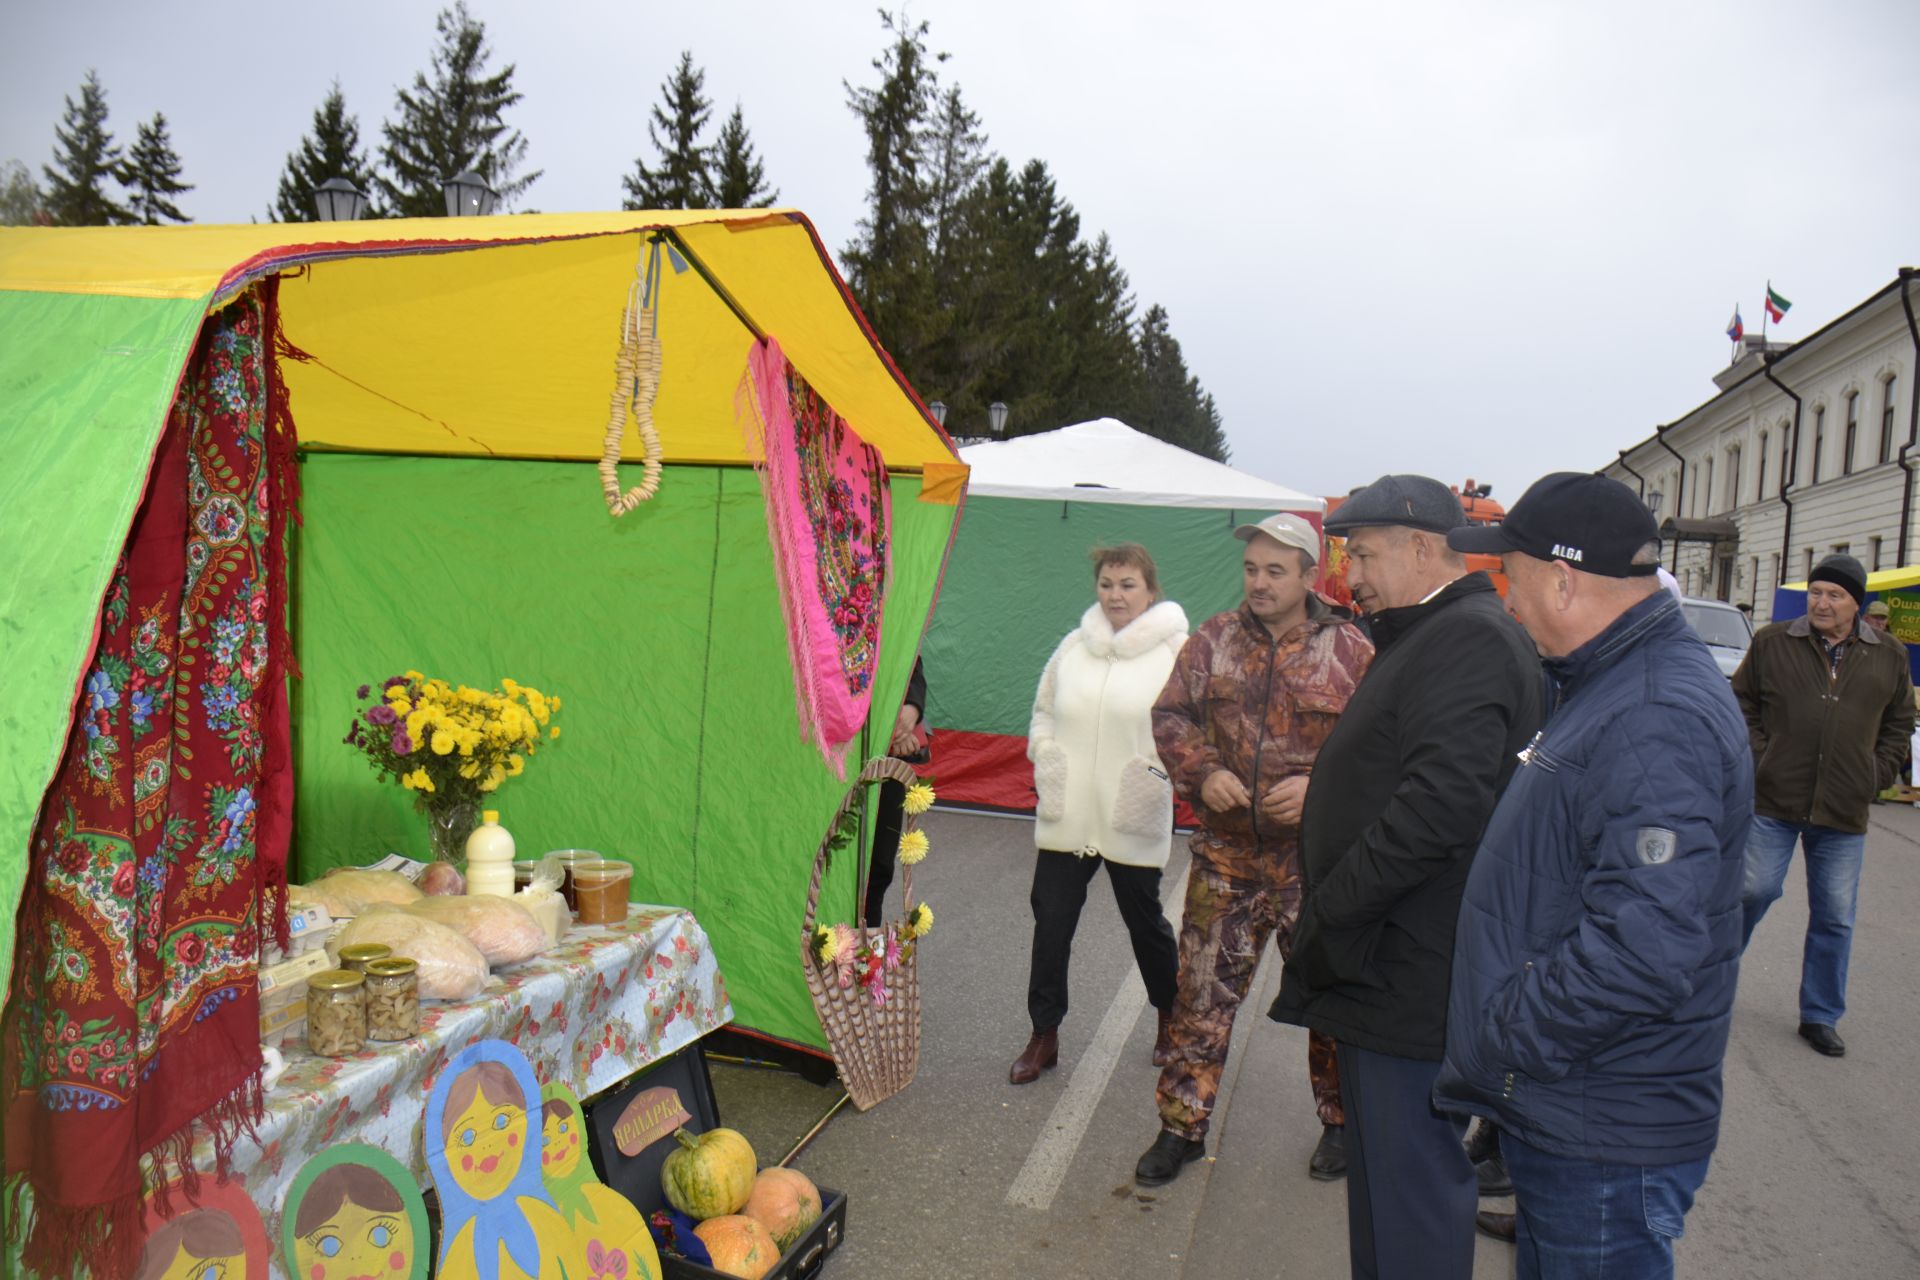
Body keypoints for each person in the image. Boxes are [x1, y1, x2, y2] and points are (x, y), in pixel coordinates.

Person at [1435, 473, 1752, 1279]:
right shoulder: (1612, 679)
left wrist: (1508, 1035)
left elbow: (1645, 947)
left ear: (1564, 580)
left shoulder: (1653, 711)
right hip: (1583, 1106)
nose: (1507, 601)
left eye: (1512, 578)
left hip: (1603, 1122)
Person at [1268, 475, 1541, 1280]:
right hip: (1389, 963)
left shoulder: (1468, 639)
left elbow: (1438, 807)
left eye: (1364, 553)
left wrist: (1336, 911)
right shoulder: (1428, 632)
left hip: (1410, 965)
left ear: (1425, 548)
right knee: (1386, 1181)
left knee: (1412, 1184)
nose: (1348, 573)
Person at [1134, 514, 1372, 1186]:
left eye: (1276, 570)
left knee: (1328, 998)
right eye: (1251, 569)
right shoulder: (1213, 639)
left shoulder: (1353, 652)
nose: (1260, 582)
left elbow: (1378, 751)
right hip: (1227, 858)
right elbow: (1171, 715)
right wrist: (1204, 770)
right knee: (1200, 996)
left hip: (1313, 866)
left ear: (1308, 575)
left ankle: (1342, 1124)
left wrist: (1319, 788)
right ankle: (1180, 1128)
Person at [1010, 546, 1188, 1084]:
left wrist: (1159, 775)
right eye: (1108, 584)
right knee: (1052, 922)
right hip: (1069, 814)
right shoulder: (1073, 648)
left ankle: (1169, 1016)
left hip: (1131, 808)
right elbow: (1043, 710)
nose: (1116, 595)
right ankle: (1044, 1035)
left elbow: (1194, 726)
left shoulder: (1177, 652)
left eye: (1128, 584)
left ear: (1150, 591)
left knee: (1145, 923)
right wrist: (1045, 751)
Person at [1732, 554, 1914, 1057]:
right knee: (1752, 891)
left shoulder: (1888, 655)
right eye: (1816, 592)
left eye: (1834, 595)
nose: (1822, 602)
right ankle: (1711, 987)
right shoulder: (1774, 642)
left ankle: (1819, 1015)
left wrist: (1876, 773)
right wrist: (1761, 755)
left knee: (1835, 915)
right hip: (1774, 798)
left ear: (1856, 603)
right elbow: (1741, 701)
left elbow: (1901, 720)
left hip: (1843, 808)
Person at [863, 657, 928, 927]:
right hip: (834, 752)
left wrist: (911, 710)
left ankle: (864, 956)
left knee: (879, 867)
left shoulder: (888, 614)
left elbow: (910, 658)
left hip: (887, 756)